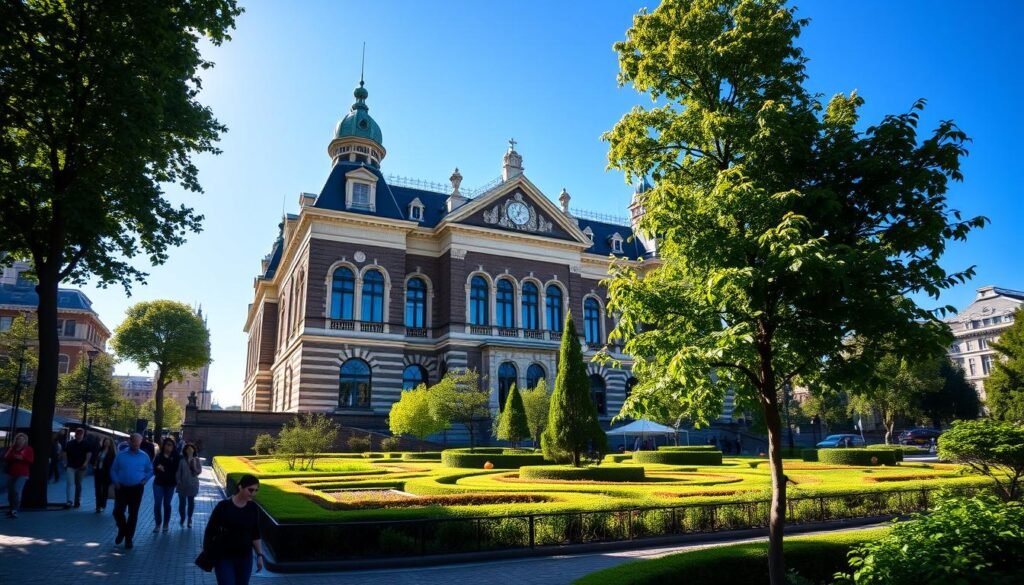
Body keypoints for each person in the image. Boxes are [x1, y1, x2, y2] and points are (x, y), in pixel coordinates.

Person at [203, 474, 265, 584]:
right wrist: (208, 553)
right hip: (224, 556)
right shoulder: (223, 506)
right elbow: (210, 531)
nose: (253, 493)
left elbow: (255, 533)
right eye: (250, 490)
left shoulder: (253, 508)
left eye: (256, 490)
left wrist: (260, 555)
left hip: (245, 557)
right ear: (240, 487)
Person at [110, 433, 153, 550]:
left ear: (141, 442)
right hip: (121, 487)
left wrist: (145, 480)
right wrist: (115, 481)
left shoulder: (144, 456)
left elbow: (150, 470)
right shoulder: (121, 455)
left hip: (136, 488)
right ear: (129, 441)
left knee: (133, 514)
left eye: (138, 442)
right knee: (117, 511)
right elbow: (113, 469)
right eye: (134, 441)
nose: (136, 444)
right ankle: (122, 530)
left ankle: (128, 538)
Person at [152, 437, 180, 532]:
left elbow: (175, 470)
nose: (168, 447)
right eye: (166, 444)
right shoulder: (159, 456)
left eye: (170, 445)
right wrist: (159, 468)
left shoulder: (176, 457)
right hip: (158, 483)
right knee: (157, 503)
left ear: (173, 446)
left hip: (170, 484)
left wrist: (164, 468)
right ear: (163, 446)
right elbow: (154, 469)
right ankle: (157, 524)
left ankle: (166, 524)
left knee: (167, 504)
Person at [4, 433, 34, 518]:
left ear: (25, 440)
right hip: (11, 473)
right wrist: (14, 456)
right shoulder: (12, 448)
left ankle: (15, 510)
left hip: (23, 473)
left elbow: (31, 460)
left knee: (17, 490)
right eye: (18, 439)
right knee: (10, 492)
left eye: (22, 439)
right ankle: (11, 508)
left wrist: (22, 458)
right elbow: (6, 457)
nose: (20, 441)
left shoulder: (28, 449)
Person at [63, 428, 92, 508]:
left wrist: (85, 463)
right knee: (70, 483)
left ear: (83, 435)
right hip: (71, 466)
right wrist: (65, 463)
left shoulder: (86, 444)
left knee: (78, 484)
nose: (79, 435)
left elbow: (89, 454)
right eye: (77, 434)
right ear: (75, 434)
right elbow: (65, 453)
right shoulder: (70, 443)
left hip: (81, 467)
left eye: (80, 434)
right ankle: (69, 501)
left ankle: (76, 500)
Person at [176, 442, 201, 528]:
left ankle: (189, 518)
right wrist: (178, 480)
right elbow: (178, 472)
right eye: (188, 449)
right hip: (182, 484)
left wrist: (193, 463)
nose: (190, 451)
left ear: (194, 450)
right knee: (182, 503)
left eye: (191, 449)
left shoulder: (197, 460)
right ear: (185, 450)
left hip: (193, 484)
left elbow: (198, 472)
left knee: (191, 502)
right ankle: (182, 517)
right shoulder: (182, 460)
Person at [93, 437, 117, 513]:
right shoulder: (100, 450)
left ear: (110, 443)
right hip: (98, 472)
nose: (106, 443)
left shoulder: (112, 453)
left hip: (106, 473)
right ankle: (98, 506)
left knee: (104, 490)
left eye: (108, 442)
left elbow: (113, 464)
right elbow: (96, 459)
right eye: (105, 442)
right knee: (97, 489)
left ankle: (103, 505)